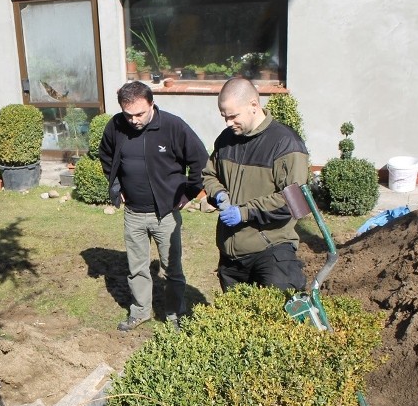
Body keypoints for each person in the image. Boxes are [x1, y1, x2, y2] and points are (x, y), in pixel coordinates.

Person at [99, 81, 208, 332]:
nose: (134, 120)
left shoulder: (173, 126)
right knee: (136, 267)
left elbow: (200, 160)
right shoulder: (115, 126)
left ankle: (174, 314)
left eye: (140, 114)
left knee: (172, 269)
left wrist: (190, 192)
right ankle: (140, 312)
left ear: (152, 104)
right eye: (129, 115)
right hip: (133, 213)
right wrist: (117, 186)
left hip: (166, 214)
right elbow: (106, 155)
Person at [203, 77, 309, 293]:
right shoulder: (226, 139)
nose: (228, 123)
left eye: (233, 116)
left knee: (277, 322)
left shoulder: (285, 143)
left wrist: (245, 213)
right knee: (235, 324)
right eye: (224, 117)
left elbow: (295, 202)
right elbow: (209, 174)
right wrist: (219, 193)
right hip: (231, 257)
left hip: (271, 253)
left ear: (253, 105)